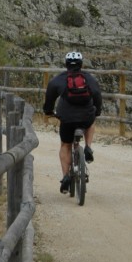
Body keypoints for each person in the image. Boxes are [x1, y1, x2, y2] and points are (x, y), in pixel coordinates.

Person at [43, 51, 103, 194]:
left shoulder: (59, 80)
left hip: (67, 119)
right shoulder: (88, 78)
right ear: (81, 64)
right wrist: (97, 111)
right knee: (91, 120)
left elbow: (50, 97)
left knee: (65, 145)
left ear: (66, 64)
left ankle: (65, 177)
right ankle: (88, 147)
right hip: (86, 116)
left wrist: (48, 111)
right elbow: (97, 94)